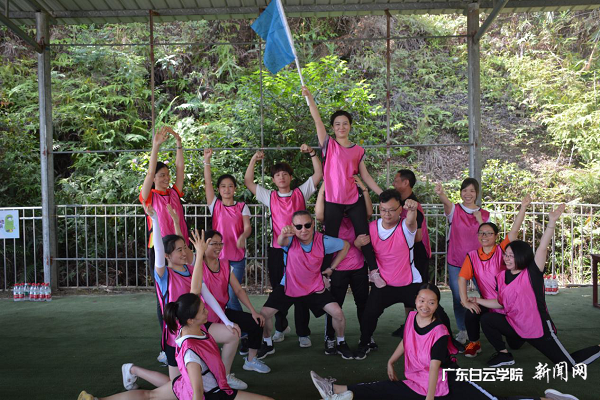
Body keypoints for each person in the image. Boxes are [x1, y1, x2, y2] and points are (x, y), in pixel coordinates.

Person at [309, 284, 579, 400]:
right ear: (415, 301)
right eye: (421, 300)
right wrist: (391, 361)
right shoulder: (412, 316)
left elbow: (436, 366)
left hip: (447, 382)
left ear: (437, 305)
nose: (425, 305)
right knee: (384, 389)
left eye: (431, 302)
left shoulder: (439, 331)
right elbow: (407, 340)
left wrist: (429, 398)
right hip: (420, 380)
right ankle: (334, 389)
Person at [472, 204, 600, 368]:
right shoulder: (502, 276)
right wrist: (476, 300)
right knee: (488, 319)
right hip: (515, 324)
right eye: (506, 255)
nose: (507, 259)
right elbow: (500, 302)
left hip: (537, 328)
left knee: (570, 366)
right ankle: (504, 355)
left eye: (511, 256)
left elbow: (542, 248)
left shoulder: (532, 272)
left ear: (521, 256)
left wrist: (552, 222)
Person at [78, 294, 274, 400]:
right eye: (203, 310)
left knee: (150, 395)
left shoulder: (188, 325)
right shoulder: (191, 353)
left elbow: (195, 291)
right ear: (191, 319)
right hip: (211, 393)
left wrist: (199, 254)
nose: (207, 311)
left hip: (185, 385)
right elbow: (198, 392)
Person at [149, 206, 248, 390]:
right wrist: (155, 219)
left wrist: (227, 321)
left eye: (185, 248)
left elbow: (206, 295)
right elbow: (159, 251)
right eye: (179, 250)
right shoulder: (163, 274)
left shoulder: (192, 269)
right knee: (176, 388)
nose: (183, 252)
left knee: (233, 334)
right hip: (176, 335)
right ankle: (132, 370)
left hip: (198, 327)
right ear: (167, 255)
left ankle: (224, 377)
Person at [302, 86, 385, 288]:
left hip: (353, 199)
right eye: (337, 124)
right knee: (329, 238)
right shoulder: (328, 145)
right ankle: (325, 274)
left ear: (350, 126)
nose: (341, 127)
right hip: (333, 200)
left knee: (363, 234)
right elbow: (317, 120)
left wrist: (383, 195)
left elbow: (365, 175)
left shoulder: (358, 150)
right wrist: (310, 99)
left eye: (345, 123)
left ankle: (373, 272)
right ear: (333, 127)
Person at [244, 145, 321, 348]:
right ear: (273, 179)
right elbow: (248, 182)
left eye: (285, 174)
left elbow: (318, 174)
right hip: (278, 250)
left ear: (290, 177)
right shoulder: (269, 196)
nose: (282, 177)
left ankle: (303, 332)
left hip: (301, 251)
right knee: (279, 289)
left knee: (302, 290)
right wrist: (253, 159)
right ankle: (281, 327)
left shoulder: (300, 193)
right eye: (278, 175)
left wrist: (312, 153)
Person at [258, 210, 355, 360]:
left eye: (307, 225)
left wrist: (332, 268)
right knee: (264, 315)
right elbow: (281, 242)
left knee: (338, 313)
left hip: (314, 287)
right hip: (289, 285)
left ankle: (341, 343)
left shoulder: (323, 240)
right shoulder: (290, 240)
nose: (303, 230)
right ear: (293, 227)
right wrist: (283, 234)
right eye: (299, 226)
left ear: (313, 224)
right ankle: (267, 343)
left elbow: (346, 245)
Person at [458, 194, 531, 358]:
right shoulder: (472, 256)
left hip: (508, 303)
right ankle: (474, 344)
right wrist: (464, 300)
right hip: (487, 302)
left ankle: (520, 333)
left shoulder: (503, 249)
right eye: (481, 233)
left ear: (496, 236)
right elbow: (462, 278)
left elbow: (514, 230)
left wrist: (523, 207)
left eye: (488, 233)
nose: (484, 236)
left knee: (515, 344)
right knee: (471, 311)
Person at [139, 126, 189, 363]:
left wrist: (178, 143)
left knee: (187, 294)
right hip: (160, 252)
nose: (166, 178)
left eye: (167, 175)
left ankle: (187, 338)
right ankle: (166, 346)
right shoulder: (148, 196)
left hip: (181, 249)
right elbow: (149, 173)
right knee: (164, 298)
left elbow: (180, 169)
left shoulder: (175, 193)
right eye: (161, 175)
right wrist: (156, 146)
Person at [353, 189, 421, 359]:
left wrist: (413, 209)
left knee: (436, 310)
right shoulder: (371, 227)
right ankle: (364, 343)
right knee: (369, 315)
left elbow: (411, 221)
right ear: (379, 209)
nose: (387, 214)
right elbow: (361, 247)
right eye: (383, 210)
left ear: (400, 209)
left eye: (391, 210)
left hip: (409, 282)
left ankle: (447, 343)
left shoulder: (406, 226)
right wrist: (357, 243)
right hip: (383, 283)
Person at [315, 178, 372, 356]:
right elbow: (319, 215)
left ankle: (367, 337)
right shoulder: (331, 217)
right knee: (334, 305)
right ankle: (331, 338)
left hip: (358, 267)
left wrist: (363, 188)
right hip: (337, 269)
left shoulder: (359, 217)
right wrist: (326, 185)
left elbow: (369, 213)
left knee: (363, 304)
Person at [201, 229, 271, 374]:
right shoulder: (196, 266)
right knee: (232, 334)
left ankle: (251, 360)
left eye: (220, 243)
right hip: (203, 318)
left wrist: (253, 311)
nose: (218, 247)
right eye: (214, 243)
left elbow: (238, 290)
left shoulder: (225, 265)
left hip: (222, 313)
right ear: (203, 245)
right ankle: (221, 373)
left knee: (256, 321)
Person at [436, 178, 490, 345]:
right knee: (459, 297)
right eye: (465, 190)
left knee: (489, 295)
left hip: (479, 263)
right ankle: (463, 330)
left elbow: (488, 237)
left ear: (477, 193)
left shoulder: (485, 214)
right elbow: (446, 202)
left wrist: (480, 219)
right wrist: (441, 193)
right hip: (456, 261)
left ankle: (490, 325)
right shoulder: (455, 210)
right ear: (460, 192)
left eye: (472, 191)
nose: (468, 194)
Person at [203, 149, 252, 316]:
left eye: (230, 186)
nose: (226, 189)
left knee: (232, 294)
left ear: (235, 189)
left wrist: (243, 236)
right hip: (218, 258)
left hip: (236, 258)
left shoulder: (242, 207)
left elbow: (247, 227)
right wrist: (207, 161)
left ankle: (242, 325)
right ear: (218, 189)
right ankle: (232, 324)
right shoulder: (215, 205)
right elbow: (207, 183)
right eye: (223, 186)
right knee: (221, 295)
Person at [391, 169, 433, 337]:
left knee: (420, 291)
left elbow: (417, 237)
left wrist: (396, 236)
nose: (393, 183)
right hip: (408, 253)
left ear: (406, 183)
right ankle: (410, 323)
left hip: (418, 254)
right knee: (409, 290)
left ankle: (424, 325)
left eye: (396, 180)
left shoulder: (414, 205)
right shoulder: (400, 202)